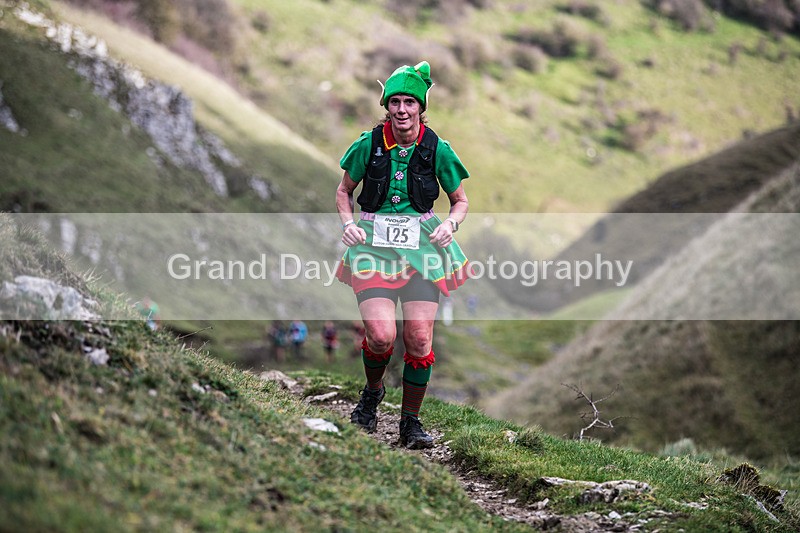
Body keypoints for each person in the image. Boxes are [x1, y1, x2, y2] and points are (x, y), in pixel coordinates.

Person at [335, 61, 471, 449]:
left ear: (420, 107)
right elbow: (343, 191)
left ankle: (410, 422)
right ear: (386, 106)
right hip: (373, 249)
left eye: (409, 102)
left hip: (423, 251)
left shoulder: (438, 149)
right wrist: (348, 224)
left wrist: (451, 224)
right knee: (381, 337)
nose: (402, 109)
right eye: (394, 101)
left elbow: (460, 201)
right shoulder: (368, 144)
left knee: (419, 340)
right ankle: (372, 393)